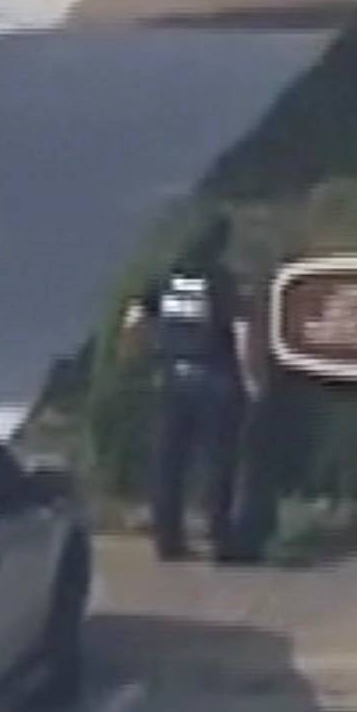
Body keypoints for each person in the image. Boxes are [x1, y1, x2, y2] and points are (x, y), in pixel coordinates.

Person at [121, 216, 262, 562]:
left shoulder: (165, 276)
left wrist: (135, 357)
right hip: (216, 377)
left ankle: (168, 539)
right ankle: (220, 540)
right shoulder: (222, 280)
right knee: (217, 463)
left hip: (173, 376)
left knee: (169, 461)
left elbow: (135, 320)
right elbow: (242, 330)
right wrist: (251, 379)